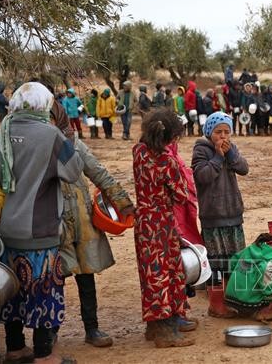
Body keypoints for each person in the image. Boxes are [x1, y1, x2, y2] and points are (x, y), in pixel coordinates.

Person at [0, 82, 84, 364]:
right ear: (43, 105)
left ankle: (14, 348)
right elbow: (73, 172)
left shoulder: (4, 130)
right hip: (40, 231)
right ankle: (45, 355)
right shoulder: (50, 135)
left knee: (12, 293)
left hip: (7, 229)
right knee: (43, 293)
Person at [51, 105, 135, 348]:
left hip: (82, 221)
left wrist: (124, 204)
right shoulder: (38, 145)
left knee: (86, 277)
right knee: (53, 279)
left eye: (51, 116)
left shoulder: (74, 142)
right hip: (52, 223)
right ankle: (49, 333)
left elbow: (98, 173)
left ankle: (92, 328)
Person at [132, 108, 195, 348]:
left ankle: (159, 323)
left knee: (152, 273)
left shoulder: (138, 152)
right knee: (165, 272)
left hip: (145, 221)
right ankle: (164, 329)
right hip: (162, 222)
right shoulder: (166, 161)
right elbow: (181, 193)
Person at [191, 112, 249, 318]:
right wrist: (217, 157)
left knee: (234, 261)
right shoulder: (201, 150)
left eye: (227, 132)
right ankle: (216, 304)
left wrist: (230, 155)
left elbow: (244, 168)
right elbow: (203, 176)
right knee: (217, 263)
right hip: (213, 217)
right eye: (218, 132)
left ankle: (232, 299)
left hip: (233, 213)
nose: (223, 137)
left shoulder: (231, 149)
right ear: (209, 132)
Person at [224, 233, 272, 320]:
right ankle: (266, 312)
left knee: (260, 280)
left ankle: (245, 309)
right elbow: (265, 275)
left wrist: (236, 278)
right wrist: (270, 294)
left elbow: (233, 260)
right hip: (249, 302)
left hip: (231, 298)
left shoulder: (254, 247)